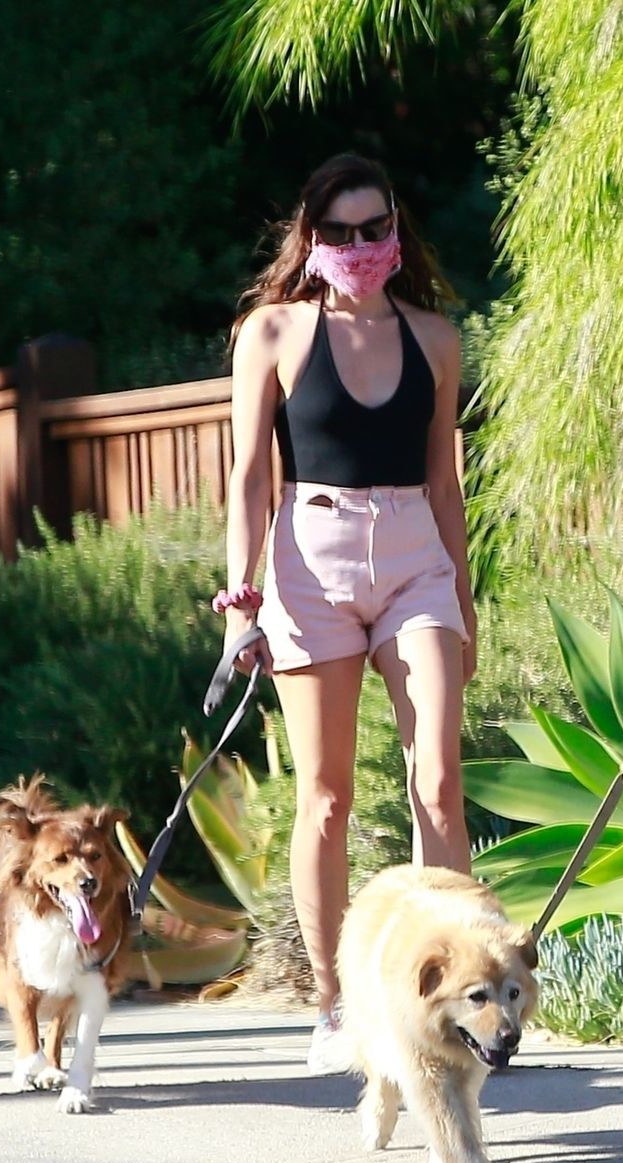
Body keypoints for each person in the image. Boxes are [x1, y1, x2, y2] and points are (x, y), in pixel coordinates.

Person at [223, 154, 478, 1074]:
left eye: (377, 229)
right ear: (312, 239)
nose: (362, 246)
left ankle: (457, 997)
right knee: (326, 796)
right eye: (341, 232)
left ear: (397, 232)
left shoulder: (435, 339)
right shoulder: (274, 332)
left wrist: (464, 601)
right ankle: (335, 1004)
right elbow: (251, 476)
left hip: (414, 555)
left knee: (437, 779)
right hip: (311, 557)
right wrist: (240, 601)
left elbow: (445, 484)